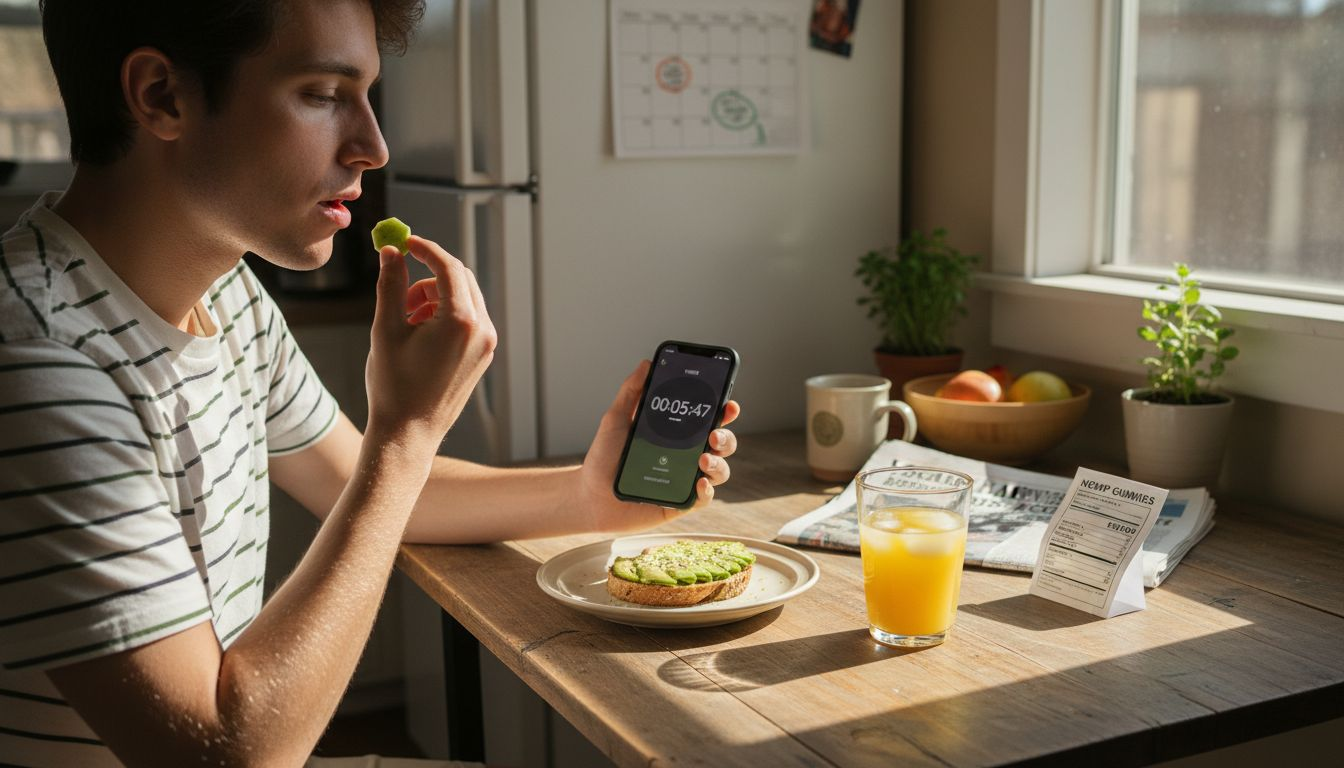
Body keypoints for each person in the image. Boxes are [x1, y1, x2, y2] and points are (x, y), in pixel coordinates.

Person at [0, 1, 742, 766]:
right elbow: (230, 753)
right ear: (161, 95)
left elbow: (355, 481)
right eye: (323, 94)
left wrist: (589, 497)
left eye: (367, 96)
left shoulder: (225, 295)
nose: (374, 147)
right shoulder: (37, 359)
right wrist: (408, 430)